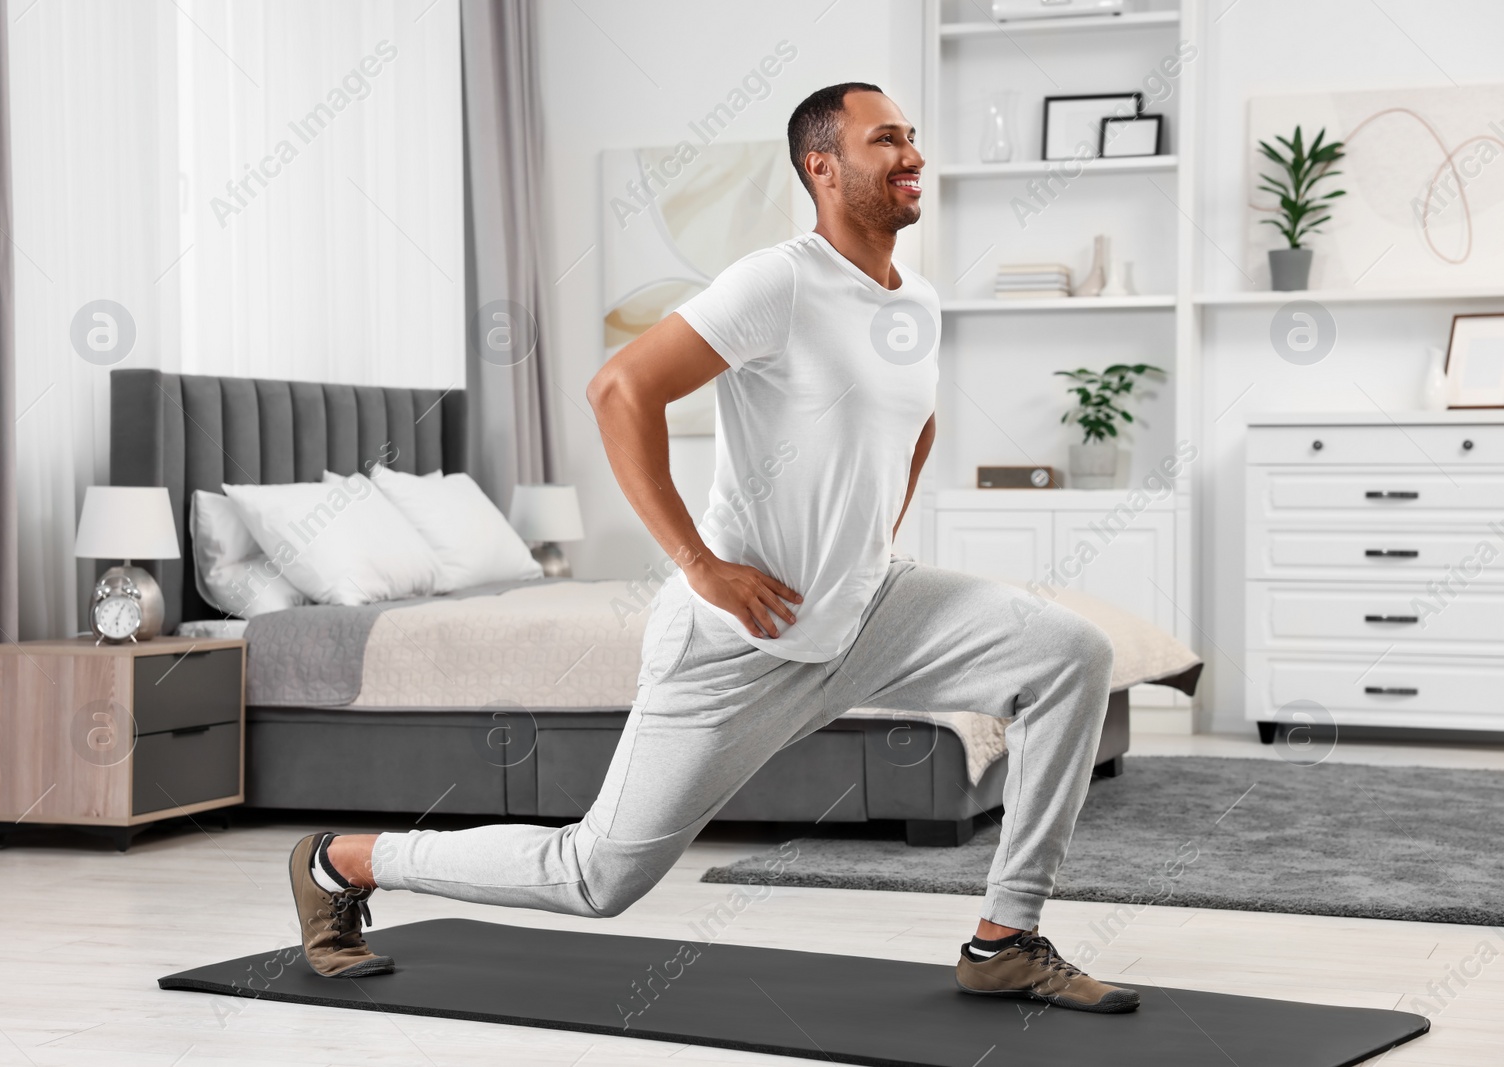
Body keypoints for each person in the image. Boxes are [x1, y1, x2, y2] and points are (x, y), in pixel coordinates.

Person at [288, 81, 1137, 1014]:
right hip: (742, 638)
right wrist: (700, 564)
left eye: (913, 138)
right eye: (885, 140)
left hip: (870, 608)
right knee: (598, 874)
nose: (912, 156)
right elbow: (620, 389)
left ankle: (1005, 937)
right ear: (823, 166)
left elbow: (917, 422)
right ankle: (342, 862)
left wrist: (868, 544)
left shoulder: (917, 300)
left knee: (1071, 653)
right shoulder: (777, 279)